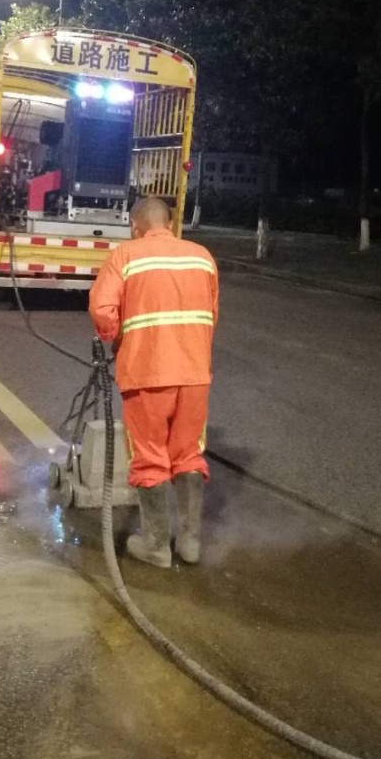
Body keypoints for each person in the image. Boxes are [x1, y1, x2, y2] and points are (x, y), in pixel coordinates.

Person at [89, 196, 219, 568]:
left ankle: (157, 546)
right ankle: (190, 544)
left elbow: (102, 310)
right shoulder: (202, 257)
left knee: (150, 457)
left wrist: (114, 336)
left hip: (147, 375)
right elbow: (211, 315)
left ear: (135, 226)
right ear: (170, 224)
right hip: (194, 374)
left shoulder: (126, 256)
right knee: (189, 453)